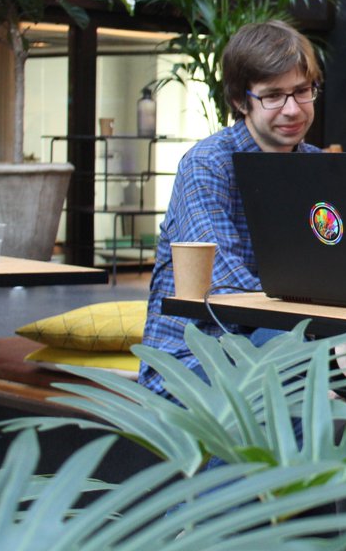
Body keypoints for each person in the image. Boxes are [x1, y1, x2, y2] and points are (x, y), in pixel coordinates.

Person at [138, 20, 322, 398]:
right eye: (273, 96)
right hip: (191, 360)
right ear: (240, 101)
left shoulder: (317, 167)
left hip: (288, 340)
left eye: (302, 91)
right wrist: (326, 330)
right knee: (299, 370)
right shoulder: (208, 164)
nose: (292, 109)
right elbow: (226, 286)